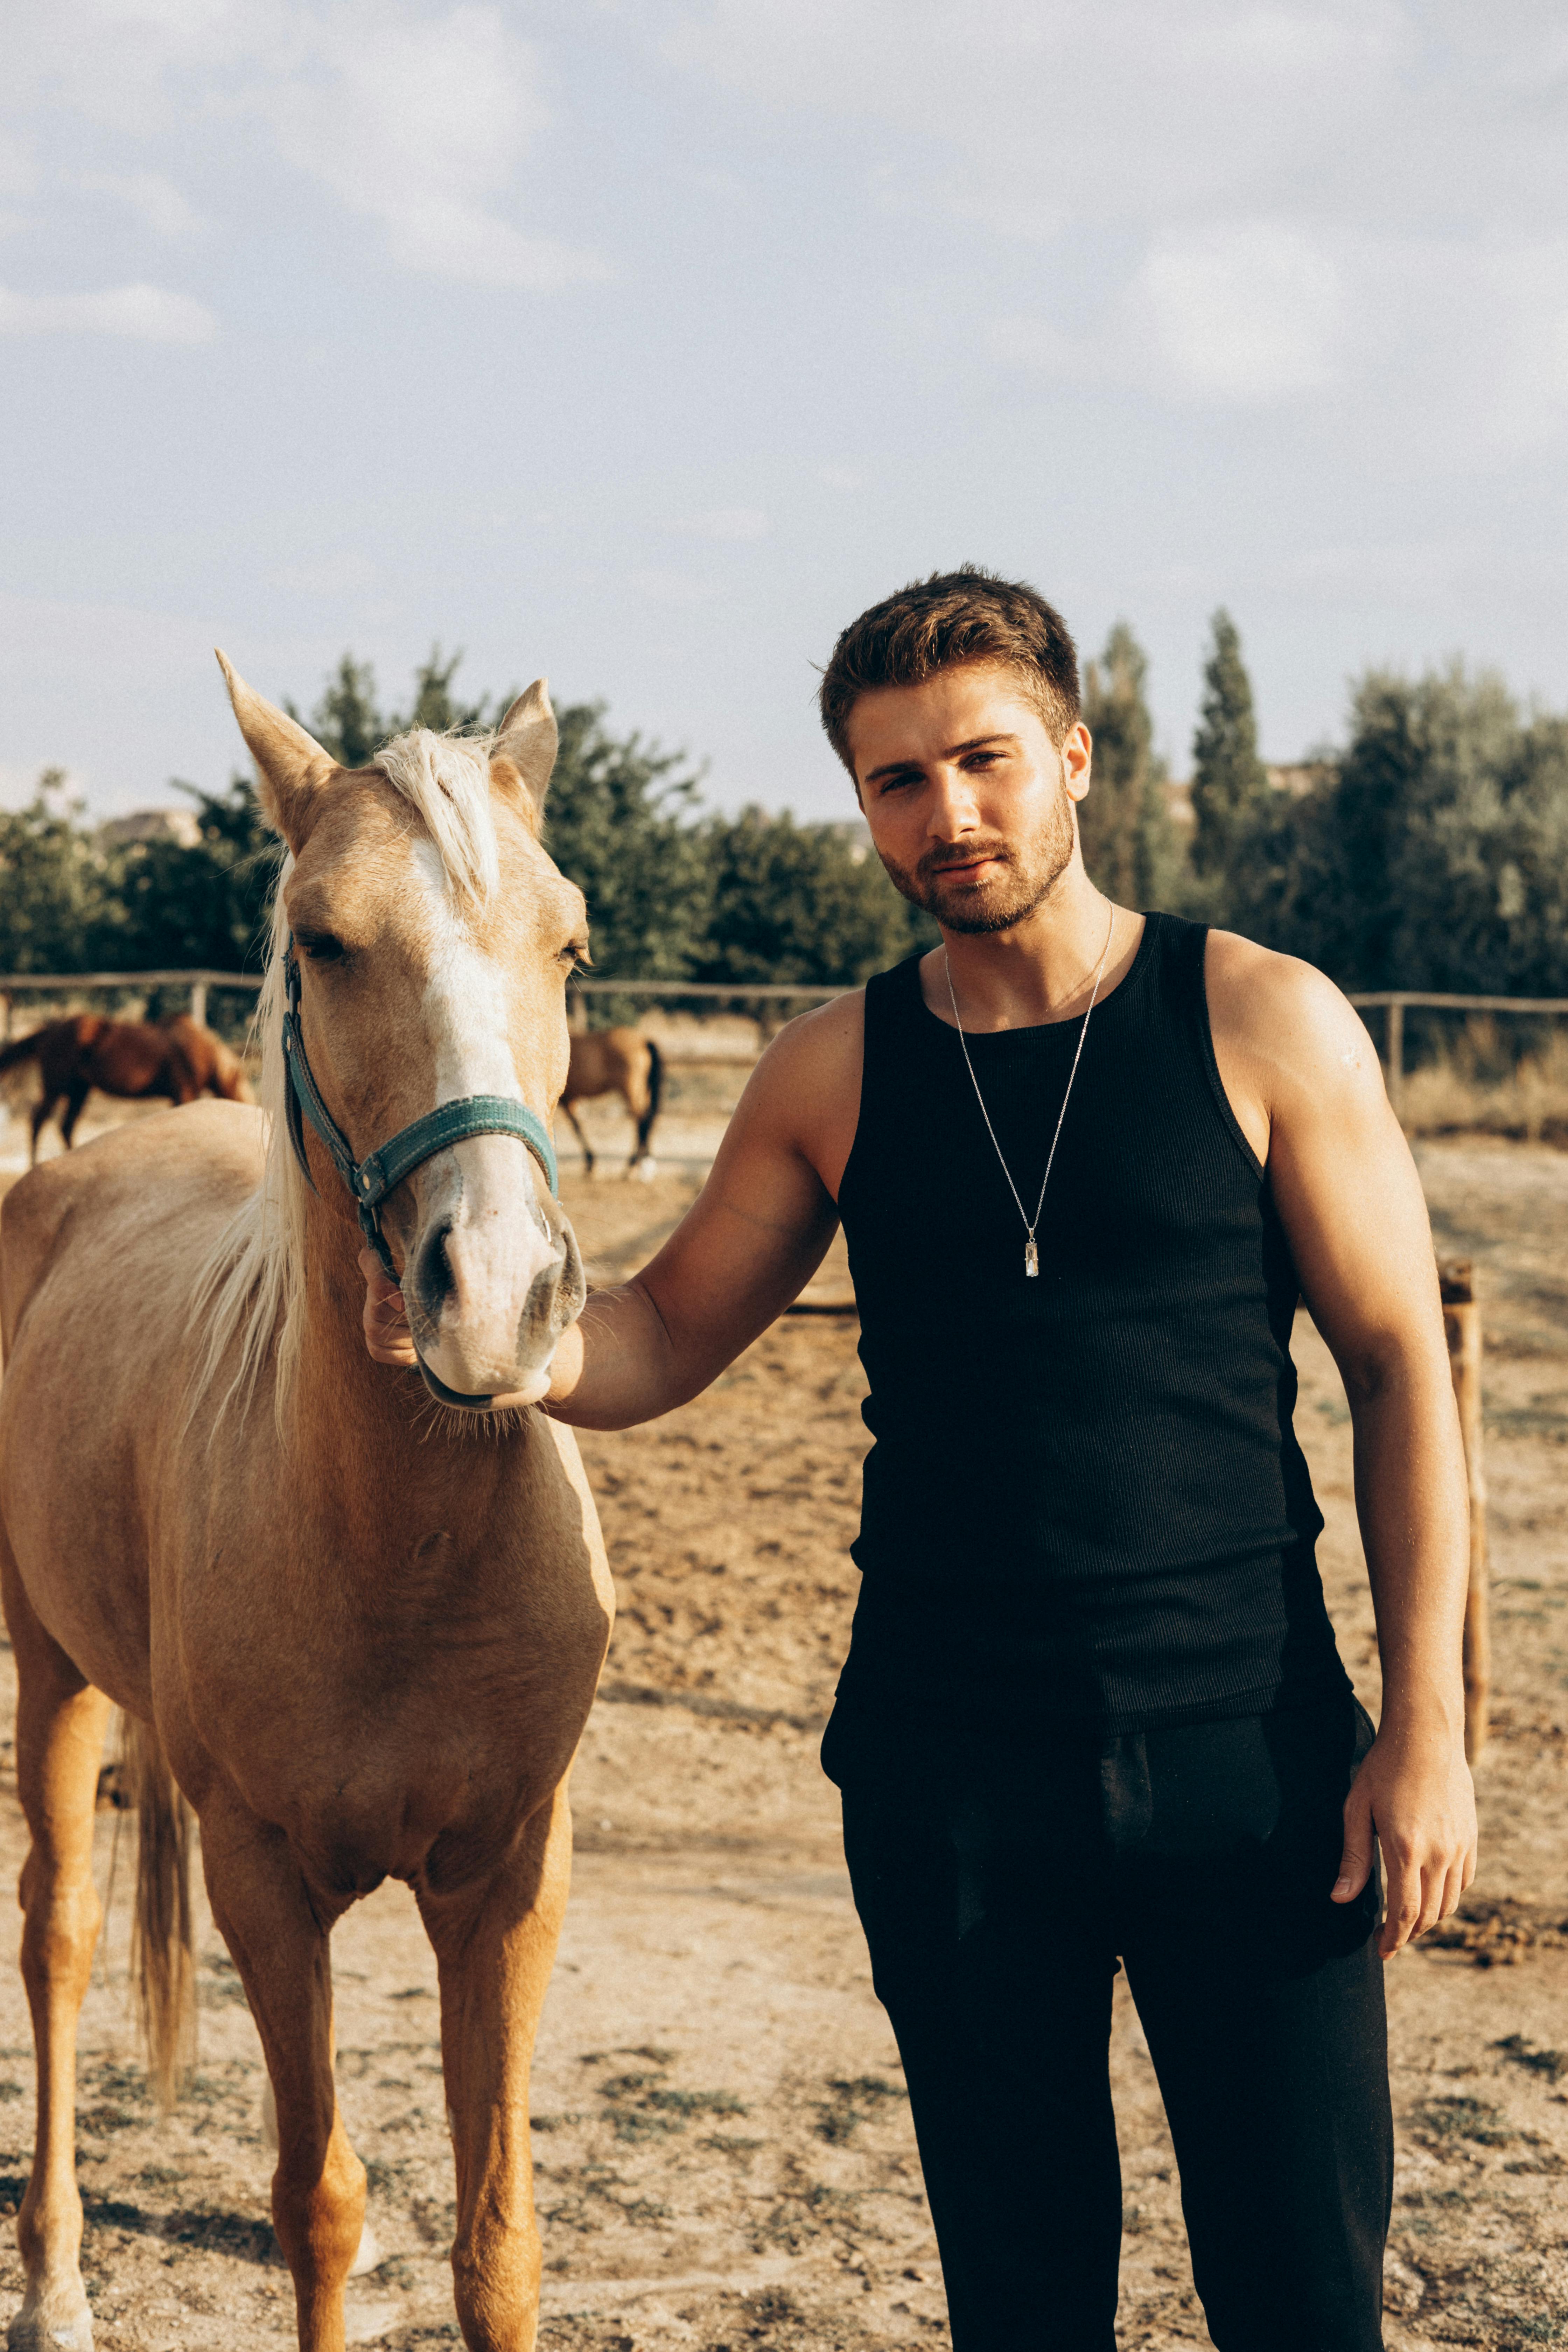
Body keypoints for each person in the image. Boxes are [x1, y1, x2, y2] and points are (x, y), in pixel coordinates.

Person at [361, 568, 1476, 2350]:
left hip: (1253, 1768)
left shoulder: (1264, 1020)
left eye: (983, 762)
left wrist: (1425, 1730)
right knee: (1020, 2308)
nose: (944, 816)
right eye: (896, 781)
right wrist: (494, 1342)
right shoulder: (833, 1070)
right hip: (952, 1785)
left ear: (1074, 757)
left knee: (1300, 2301)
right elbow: (661, 1334)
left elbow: (1401, 1371)